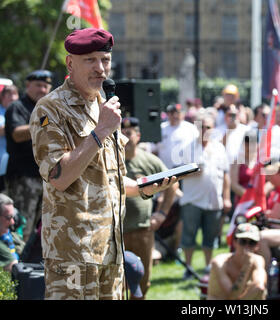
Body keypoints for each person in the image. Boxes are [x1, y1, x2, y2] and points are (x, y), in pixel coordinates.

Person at [29, 28, 177, 300]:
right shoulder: (50, 109)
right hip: (73, 252)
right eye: (90, 60)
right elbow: (58, 176)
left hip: (111, 246)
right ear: (70, 63)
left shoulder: (103, 106)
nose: (100, 68)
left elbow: (111, 179)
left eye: (105, 60)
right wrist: (99, 132)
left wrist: (145, 187)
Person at [121, 117, 178, 299]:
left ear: (138, 136)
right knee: (115, 282)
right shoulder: (112, 160)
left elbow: (172, 185)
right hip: (115, 232)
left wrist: (161, 213)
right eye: (121, 132)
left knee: (141, 280)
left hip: (142, 231)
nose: (125, 136)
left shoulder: (150, 161)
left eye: (129, 133)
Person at [179, 114, 232, 279]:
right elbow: (178, 174)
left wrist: (227, 197)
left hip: (213, 200)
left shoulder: (219, 148)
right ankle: (188, 267)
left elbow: (225, 174)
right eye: (201, 126)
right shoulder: (187, 147)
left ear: (213, 129)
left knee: (210, 236)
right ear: (196, 127)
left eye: (208, 127)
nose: (204, 130)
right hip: (192, 199)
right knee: (189, 235)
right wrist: (193, 172)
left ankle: (208, 267)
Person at [5, 70, 52, 242]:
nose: (42, 90)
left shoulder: (47, 107)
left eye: (46, 86)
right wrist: (44, 122)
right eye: (38, 85)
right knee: (22, 225)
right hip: (24, 176)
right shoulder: (17, 107)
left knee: (42, 228)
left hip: (45, 175)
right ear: (28, 86)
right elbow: (17, 134)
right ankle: (15, 263)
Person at [207, 223, 267, 300]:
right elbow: (232, 295)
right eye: (243, 241)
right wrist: (247, 264)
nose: (247, 246)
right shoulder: (220, 262)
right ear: (234, 242)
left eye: (252, 243)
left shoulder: (258, 260)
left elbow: (259, 286)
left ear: (257, 246)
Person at [152, 103, 199, 169]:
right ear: (168, 114)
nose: (175, 115)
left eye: (178, 113)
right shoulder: (161, 128)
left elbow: (198, 146)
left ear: (183, 113)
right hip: (165, 170)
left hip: (186, 171)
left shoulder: (191, 128)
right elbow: (153, 149)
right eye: (172, 113)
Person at [0, 85, 18, 192]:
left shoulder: (19, 111)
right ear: (2, 97)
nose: (12, 98)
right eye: (9, 95)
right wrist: (16, 126)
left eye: (15, 94)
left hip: (15, 165)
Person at [0, 194, 24, 272]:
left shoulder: (11, 236)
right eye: (9, 217)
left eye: (13, 217)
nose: (12, 222)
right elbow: (14, 269)